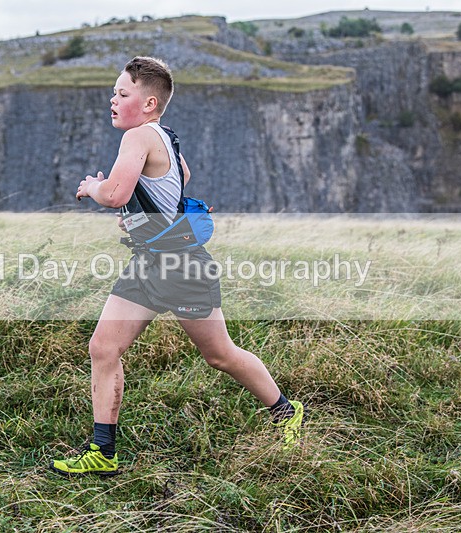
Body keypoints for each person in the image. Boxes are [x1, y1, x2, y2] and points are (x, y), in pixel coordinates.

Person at [51, 56, 304, 477]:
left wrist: (94, 187)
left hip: (180, 267)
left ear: (149, 102)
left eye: (122, 93)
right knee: (103, 347)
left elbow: (113, 193)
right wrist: (142, 213)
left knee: (220, 355)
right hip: (149, 263)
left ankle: (287, 412)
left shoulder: (137, 137)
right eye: (114, 93)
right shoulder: (164, 136)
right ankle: (103, 452)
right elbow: (179, 175)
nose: (112, 100)